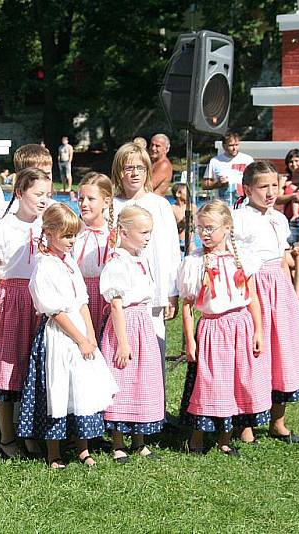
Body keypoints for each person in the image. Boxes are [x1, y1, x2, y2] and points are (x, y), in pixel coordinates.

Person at [17, 203, 117, 469]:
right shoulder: (45, 266)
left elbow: (82, 300)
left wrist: (90, 334)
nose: (72, 241)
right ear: (49, 233)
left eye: (74, 235)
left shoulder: (69, 263)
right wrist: (78, 337)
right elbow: (55, 310)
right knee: (58, 389)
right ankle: (54, 451)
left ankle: (82, 446)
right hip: (60, 334)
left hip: (80, 331)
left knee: (82, 387)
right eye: (66, 235)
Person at [177, 201, 268, 455]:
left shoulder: (241, 259)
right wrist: (190, 340)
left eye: (210, 228)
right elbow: (188, 306)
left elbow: (253, 298)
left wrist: (258, 331)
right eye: (200, 228)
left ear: (227, 227)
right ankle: (197, 437)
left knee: (235, 381)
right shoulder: (194, 262)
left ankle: (225, 438)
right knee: (210, 383)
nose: (205, 233)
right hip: (212, 329)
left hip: (240, 326)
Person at [233, 161, 299, 444]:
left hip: (278, 289)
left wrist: (291, 293)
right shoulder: (240, 218)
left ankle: (278, 420)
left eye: (274, 186)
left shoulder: (278, 218)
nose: (270, 193)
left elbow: (282, 259)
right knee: (255, 355)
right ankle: (246, 423)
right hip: (253, 287)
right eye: (263, 187)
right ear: (247, 189)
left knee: (283, 354)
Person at [0, 167, 52, 459]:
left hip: (39, 300)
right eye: (38, 194)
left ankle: (30, 432)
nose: (43, 200)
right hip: (11, 299)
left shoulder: (46, 226)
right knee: (8, 367)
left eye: (47, 194)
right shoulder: (2, 225)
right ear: (20, 193)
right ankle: (7, 437)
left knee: (33, 368)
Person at [111, 142, 180, 388]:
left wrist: (172, 292)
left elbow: (172, 251)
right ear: (119, 171)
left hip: (152, 293)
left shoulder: (159, 205)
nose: (134, 173)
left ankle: (153, 410)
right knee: (118, 349)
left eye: (140, 167)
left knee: (152, 348)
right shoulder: (112, 204)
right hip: (120, 294)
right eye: (128, 168)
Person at [100, 205, 165, 462]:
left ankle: (140, 439)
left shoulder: (141, 259)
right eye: (143, 232)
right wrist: (123, 342)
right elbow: (116, 303)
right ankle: (118, 442)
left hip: (142, 324)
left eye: (150, 232)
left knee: (143, 381)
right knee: (122, 381)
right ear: (124, 233)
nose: (148, 237)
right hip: (125, 324)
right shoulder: (118, 262)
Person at [73, 171, 114, 334]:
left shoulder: (114, 234)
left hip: (106, 297)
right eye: (81, 198)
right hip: (78, 296)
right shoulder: (73, 232)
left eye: (91, 199)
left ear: (106, 202)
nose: (84, 203)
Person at [202, 132, 254, 206]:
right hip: (223, 207)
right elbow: (204, 185)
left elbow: (255, 181)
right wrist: (218, 183)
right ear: (224, 146)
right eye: (231, 145)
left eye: (236, 145)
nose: (234, 148)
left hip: (244, 205)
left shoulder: (248, 160)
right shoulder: (215, 161)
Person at [171, 183, 198, 253]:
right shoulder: (172, 208)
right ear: (178, 194)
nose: (189, 194)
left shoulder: (192, 207)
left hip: (190, 241)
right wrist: (182, 223)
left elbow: (196, 225)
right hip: (177, 242)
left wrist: (192, 223)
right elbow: (171, 228)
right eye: (187, 192)